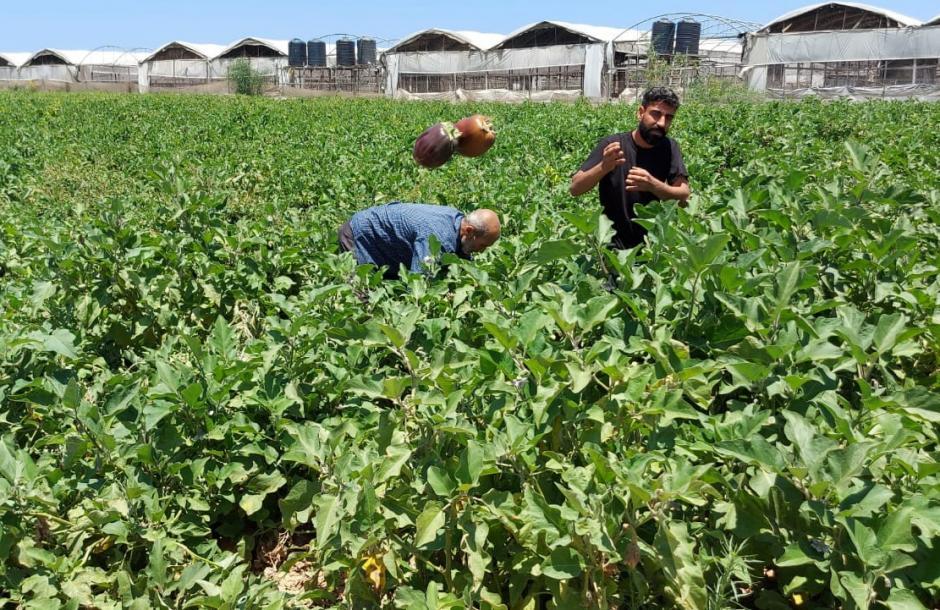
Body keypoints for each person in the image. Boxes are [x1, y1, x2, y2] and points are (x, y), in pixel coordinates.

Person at [569, 86, 690, 250]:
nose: (662, 123)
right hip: (611, 247)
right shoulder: (614, 145)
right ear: (640, 113)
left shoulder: (669, 147)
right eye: (656, 114)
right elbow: (575, 188)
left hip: (651, 248)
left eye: (668, 117)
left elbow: (684, 197)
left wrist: (653, 185)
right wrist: (604, 167)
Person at [338, 201, 501, 279]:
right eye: (483, 245)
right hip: (359, 235)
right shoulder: (438, 238)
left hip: (384, 243)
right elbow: (418, 281)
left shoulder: (457, 221)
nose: (482, 251)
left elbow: (460, 256)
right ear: (469, 231)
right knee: (361, 298)